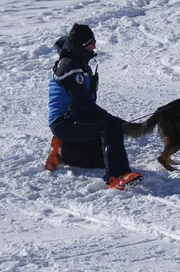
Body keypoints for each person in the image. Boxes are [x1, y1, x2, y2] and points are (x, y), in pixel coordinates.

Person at [46, 23, 143, 190]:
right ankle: (117, 176)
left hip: (74, 117)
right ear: (83, 45)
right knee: (110, 126)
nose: (95, 45)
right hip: (64, 122)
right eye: (92, 42)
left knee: (102, 157)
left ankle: (63, 151)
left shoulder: (77, 60)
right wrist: (111, 120)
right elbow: (82, 104)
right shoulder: (70, 66)